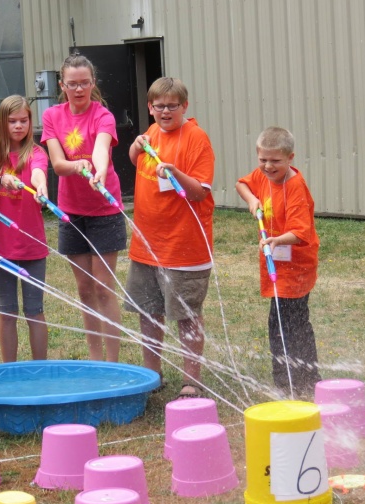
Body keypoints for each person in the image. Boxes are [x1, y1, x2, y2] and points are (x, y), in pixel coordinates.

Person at [126, 77, 215, 399]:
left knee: (186, 316)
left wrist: (175, 173)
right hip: (146, 247)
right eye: (159, 106)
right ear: (150, 108)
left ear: (184, 106)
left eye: (172, 105)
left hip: (184, 248)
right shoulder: (151, 133)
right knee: (149, 313)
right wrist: (135, 148)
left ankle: (192, 381)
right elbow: (137, 161)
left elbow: (199, 193)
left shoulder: (196, 138)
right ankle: (153, 375)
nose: (165, 111)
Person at [40, 54, 126, 362]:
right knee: (85, 289)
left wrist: (99, 170)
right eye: (73, 84)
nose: (79, 90)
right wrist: (80, 165)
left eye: (85, 83)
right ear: (62, 85)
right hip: (71, 211)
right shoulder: (52, 115)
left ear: (93, 84)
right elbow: (58, 165)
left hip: (105, 210)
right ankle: (95, 359)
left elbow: (102, 148)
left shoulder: (103, 115)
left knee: (104, 288)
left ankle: (113, 362)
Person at [235, 126, 321, 397]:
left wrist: (275, 241)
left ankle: (298, 380)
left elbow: (300, 232)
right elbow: (242, 183)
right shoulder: (263, 176)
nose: (268, 166)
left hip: (295, 267)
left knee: (289, 323)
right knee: (284, 321)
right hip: (279, 264)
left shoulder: (294, 187)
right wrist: (252, 200)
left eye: (275, 161)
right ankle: (296, 378)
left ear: (290, 158)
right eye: (263, 160)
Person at [0, 95, 49, 362]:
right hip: (0, 245)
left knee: (34, 310)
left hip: (32, 245)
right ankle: (10, 368)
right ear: (2, 123)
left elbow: (38, 173)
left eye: (24, 120)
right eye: (12, 121)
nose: (19, 126)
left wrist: (40, 186)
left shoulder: (36, 152)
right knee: (6, 310)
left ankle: (40, 367)